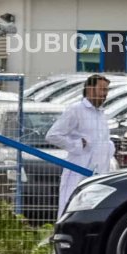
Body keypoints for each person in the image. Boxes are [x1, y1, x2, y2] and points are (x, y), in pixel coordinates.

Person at [47, 74, 114, 219]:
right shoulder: (75, 110)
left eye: (107, 90)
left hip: (98, 175)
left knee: (92, 214)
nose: (105, 94)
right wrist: (77, 145)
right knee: (70, 210)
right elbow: (53, 135)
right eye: (102, 89)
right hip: (77, 172)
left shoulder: (101, 114)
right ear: (90, 89)